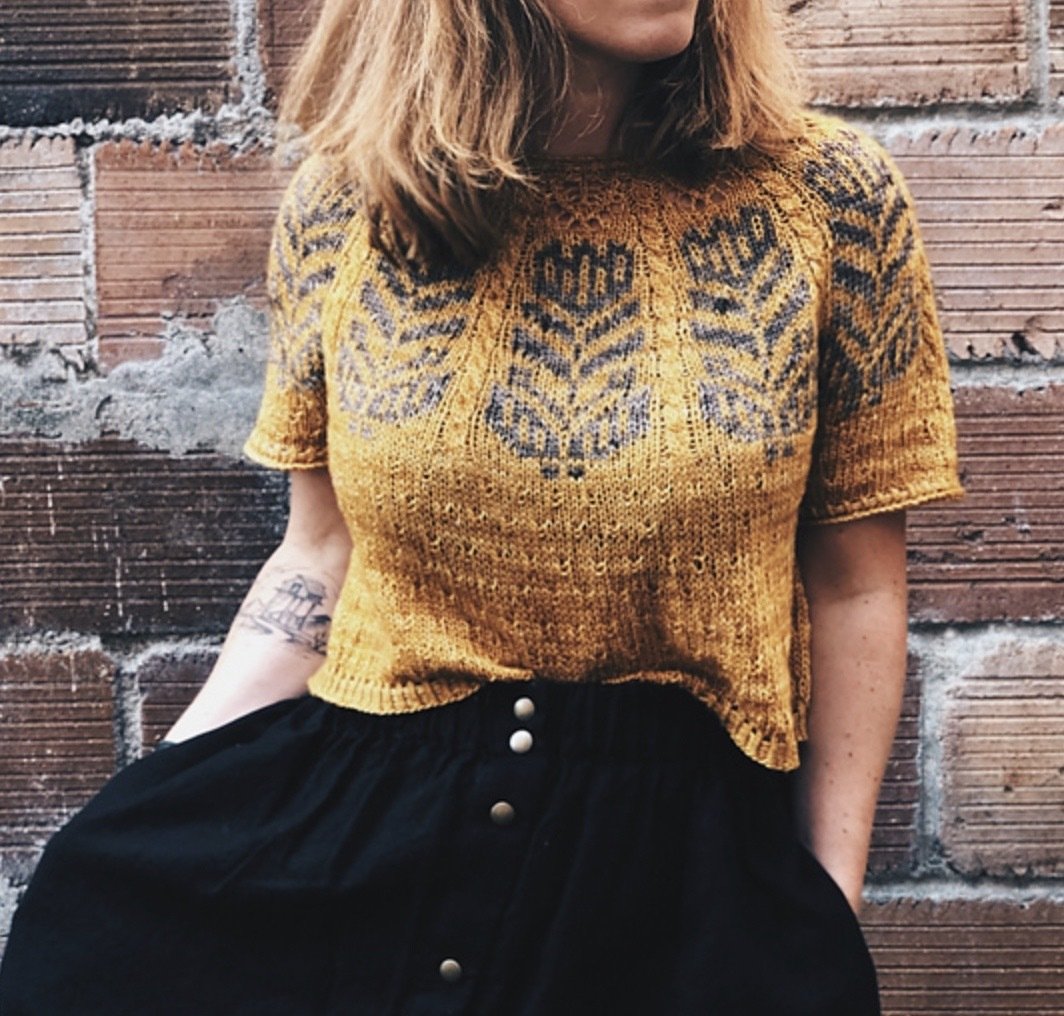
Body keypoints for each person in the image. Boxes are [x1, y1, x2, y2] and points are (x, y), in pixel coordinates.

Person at [0, 0, 964, 1013]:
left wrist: (825, 902)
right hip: (367, 839)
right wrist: (160, 792)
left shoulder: (829, 203)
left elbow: (856, 589)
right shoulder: (347, 204)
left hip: (674, 886)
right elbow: (319, 553)